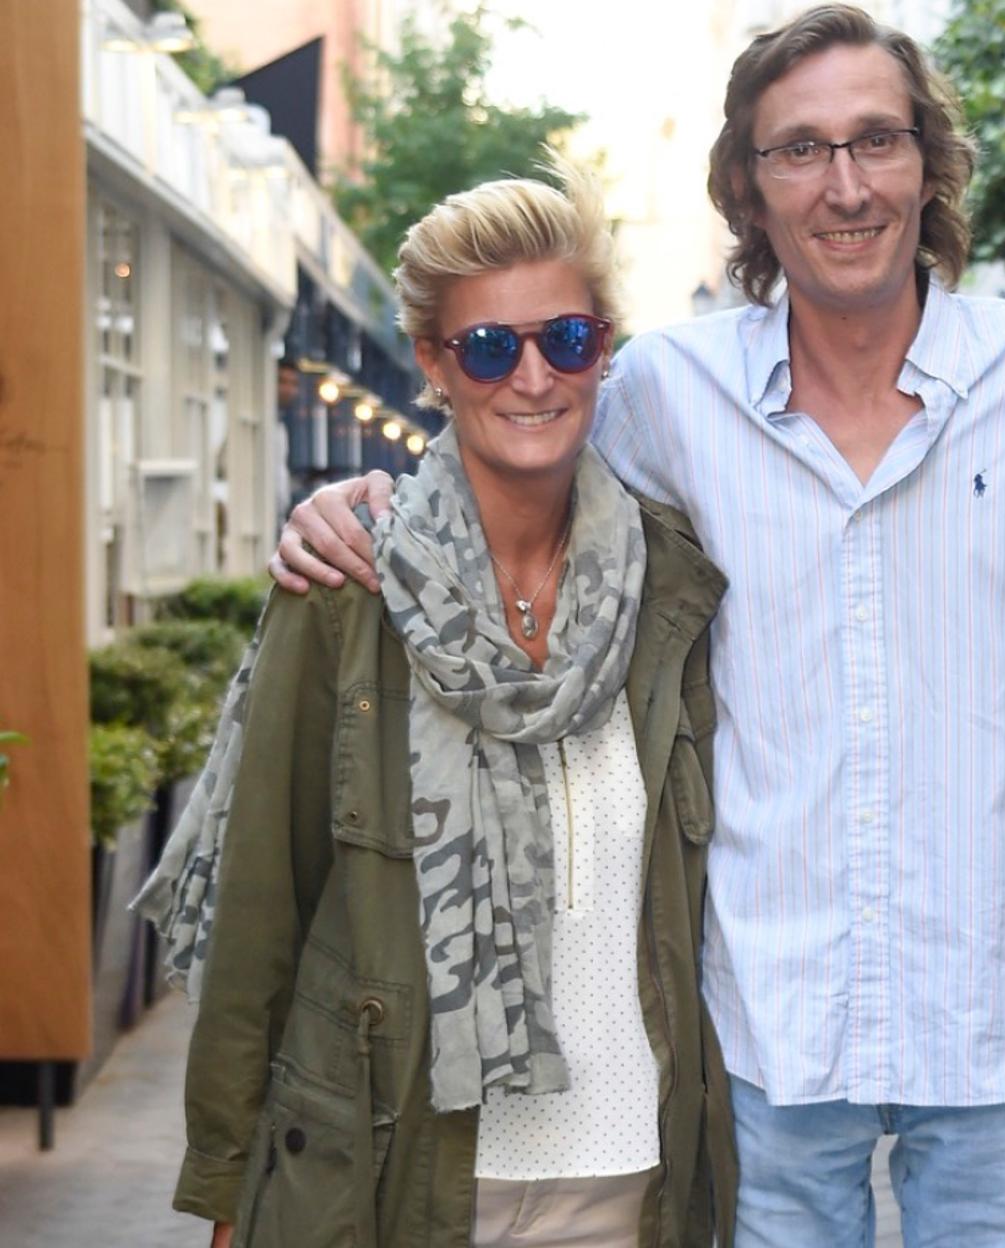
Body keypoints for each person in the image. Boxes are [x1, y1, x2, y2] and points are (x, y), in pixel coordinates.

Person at [268, 6, 1005, 1245]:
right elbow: (512, 490)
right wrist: (362, 506)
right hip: (766, 1026)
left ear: (928, 164)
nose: (847, 185)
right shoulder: (667, 394)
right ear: (748, 186)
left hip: (1004, 1015)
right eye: (800, 150)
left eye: (877, 140)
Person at [144, 167, 735, 1248]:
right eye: (489, 347)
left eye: (566, 340)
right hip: (400, 1176)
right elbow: (262, 908)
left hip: (633, 1181)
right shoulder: (346, 592)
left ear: (604, 349)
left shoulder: (670, 590)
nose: (533, 378)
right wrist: (227, 1187)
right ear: (433, 363)